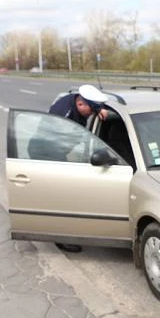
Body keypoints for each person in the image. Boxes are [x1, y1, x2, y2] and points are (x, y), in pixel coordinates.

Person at [48, 84, 110, 253]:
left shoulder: (80, 102)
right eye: (91, 110)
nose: (92, 113)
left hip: (62, 150)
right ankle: (60, 238)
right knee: (61, 198)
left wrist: (100, 110)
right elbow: (58, 144)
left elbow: (94, 105)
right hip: (50, 153)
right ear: (81, 104)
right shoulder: (62, 116)